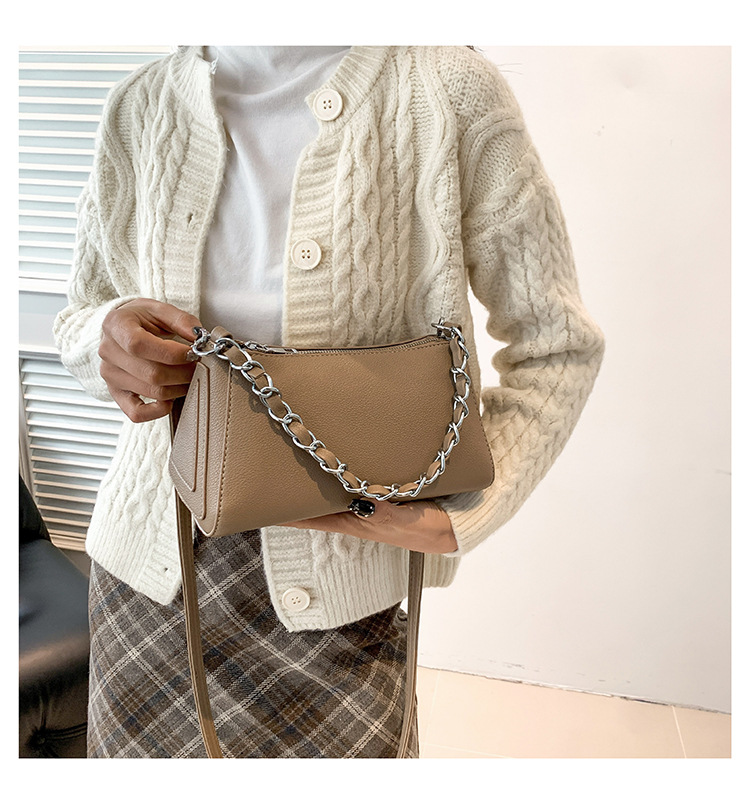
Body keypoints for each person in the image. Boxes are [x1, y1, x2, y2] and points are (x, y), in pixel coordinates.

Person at [53, 45, 604, 758]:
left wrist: (463, 512)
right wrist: (104, 338)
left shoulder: (447, 89)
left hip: (345, 590)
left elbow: (558, 343)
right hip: (149, 577)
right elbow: (84, 310)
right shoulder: (141, 101)